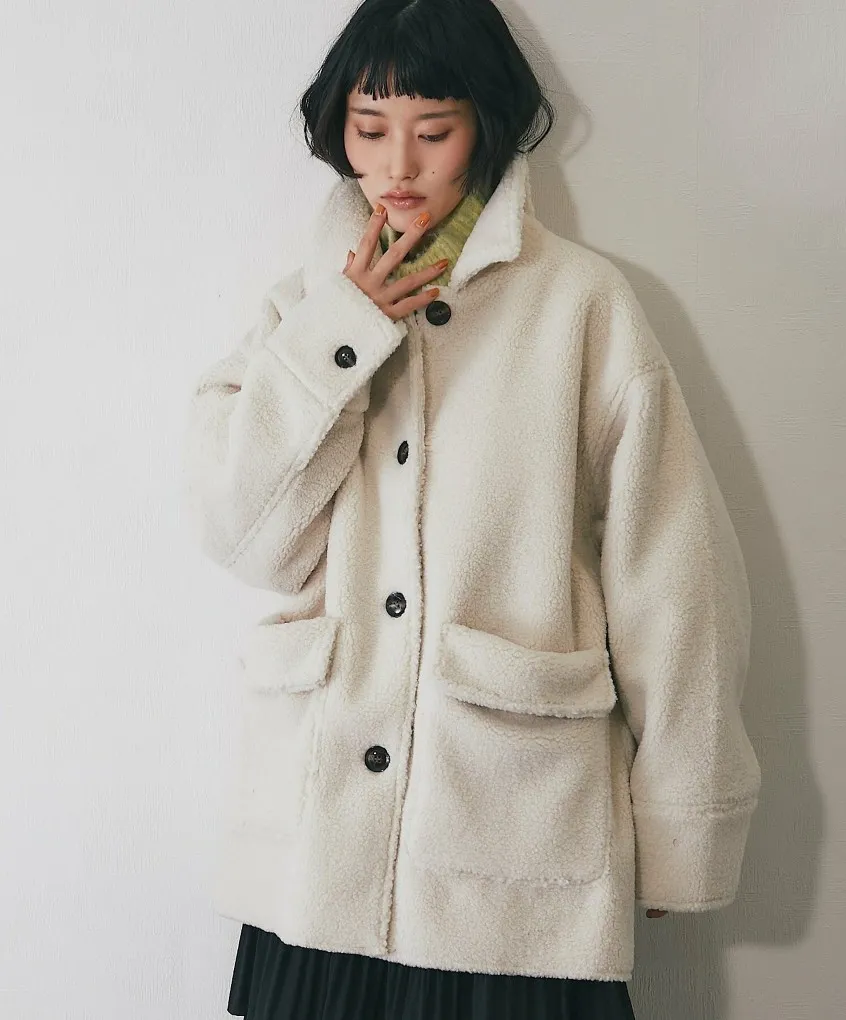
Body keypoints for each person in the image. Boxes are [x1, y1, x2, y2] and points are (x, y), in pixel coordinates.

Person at [180, 1, 762, 1017]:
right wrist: (342, 331)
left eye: (433, 130)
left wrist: (681, 821)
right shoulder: (299, 311)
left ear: (485, 126)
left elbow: (675, 581)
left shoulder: (577, 304)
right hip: (320, 865)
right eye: (369, 130)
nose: (397, 165)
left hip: (507, 858)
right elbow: (244, 536)